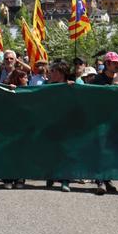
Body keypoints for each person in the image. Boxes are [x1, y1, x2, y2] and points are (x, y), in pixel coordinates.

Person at [90, 51, 118, 195]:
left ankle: (108, 179)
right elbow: (87, 96)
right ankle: (100, 180)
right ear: (107, 64)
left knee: (111, 151)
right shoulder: (97, 79)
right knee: (101, 150)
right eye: (115, 63)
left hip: (116, 121)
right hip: (100, 121)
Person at [45, 59, 74, 192]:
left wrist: (73, 87)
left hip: (67, 124)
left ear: (61, 72)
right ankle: (51, 175)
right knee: (51, 150)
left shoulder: (72, 85)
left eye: (53, 71)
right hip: (51, 123)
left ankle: (65, 180)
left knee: (66, 151)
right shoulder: (48, 85)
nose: (51, 73)